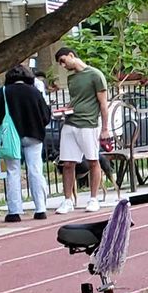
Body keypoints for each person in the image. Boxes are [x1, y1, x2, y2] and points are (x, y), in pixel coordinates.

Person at [0, 65, 51, 222]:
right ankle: (40, 209)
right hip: (34, 135)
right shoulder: (34, 92)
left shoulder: (4, 92)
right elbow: (46, 117)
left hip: (11, 137)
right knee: (35, 170)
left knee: (13, 171)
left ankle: (14, 211)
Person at [53, 45, 108, 213]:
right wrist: (65, 109)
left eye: (63, 61)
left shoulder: (95, 75)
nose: (63, 66)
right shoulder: (72, 78)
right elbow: (75, 100)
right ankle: (67, 200)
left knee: (93, 160)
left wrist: (105, 128)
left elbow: (103, 103)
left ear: (71, 55)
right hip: (70, 122)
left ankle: (93, 198)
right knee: (67, 163)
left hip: (88, 123)